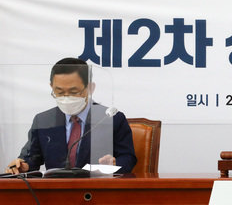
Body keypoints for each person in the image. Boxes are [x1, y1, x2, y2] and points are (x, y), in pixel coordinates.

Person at [5, 58, 137, 174]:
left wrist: (115, 164)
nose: (66, 97)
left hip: (97, 188)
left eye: (73, 91)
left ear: (90, 88)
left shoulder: (111, 119)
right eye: (59, 91)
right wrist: (23, 166)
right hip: (56, 191)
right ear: (51, 87)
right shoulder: (43, 120)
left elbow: (128, 158)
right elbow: (31, 157)